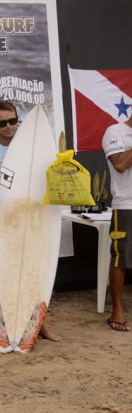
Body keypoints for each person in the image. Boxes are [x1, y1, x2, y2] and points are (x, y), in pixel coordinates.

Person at [0, 100, 60, 341]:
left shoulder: (38, 149)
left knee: (35, 270)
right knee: (9, 272)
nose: (9, 126)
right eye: (2, 123)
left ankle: (38, 325)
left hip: (36, 219)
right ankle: (9, 324)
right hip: (8, 222)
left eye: (13, 121)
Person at [102, 114, 132, 332]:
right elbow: (120, 164)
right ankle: (117, 310)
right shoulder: (116, 131)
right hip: (127, 205)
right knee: (120, 258)